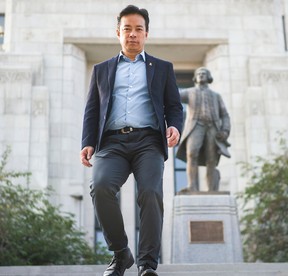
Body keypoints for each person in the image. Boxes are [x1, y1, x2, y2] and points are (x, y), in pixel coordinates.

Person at [80, 5, 183, 276]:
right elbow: (92, 108)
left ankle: (147, 264)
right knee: (100, 187)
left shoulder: (162, 68)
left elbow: (174, 106)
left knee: (150, 193)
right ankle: (121, 253)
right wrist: (87, 141)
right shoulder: (101, 70)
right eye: (127, 29)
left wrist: (174, 126)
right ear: (118, 33)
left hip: (148, 141)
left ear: (146, 34)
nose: (133, 34)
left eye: (139, 29)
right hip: (111, 143)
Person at [176, 67, 231, 192]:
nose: (201, 75)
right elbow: (174, 96)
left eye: (204, 73)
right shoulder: (189, 92)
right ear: (195, 78)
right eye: (199, 73)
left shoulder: (216, 96)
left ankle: (212, 189)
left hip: (213, 128)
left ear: (208, 77)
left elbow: (225, 115)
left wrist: (225, 130)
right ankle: (192, 186)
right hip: (196, 126)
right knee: (191, 154)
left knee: (211, 159)